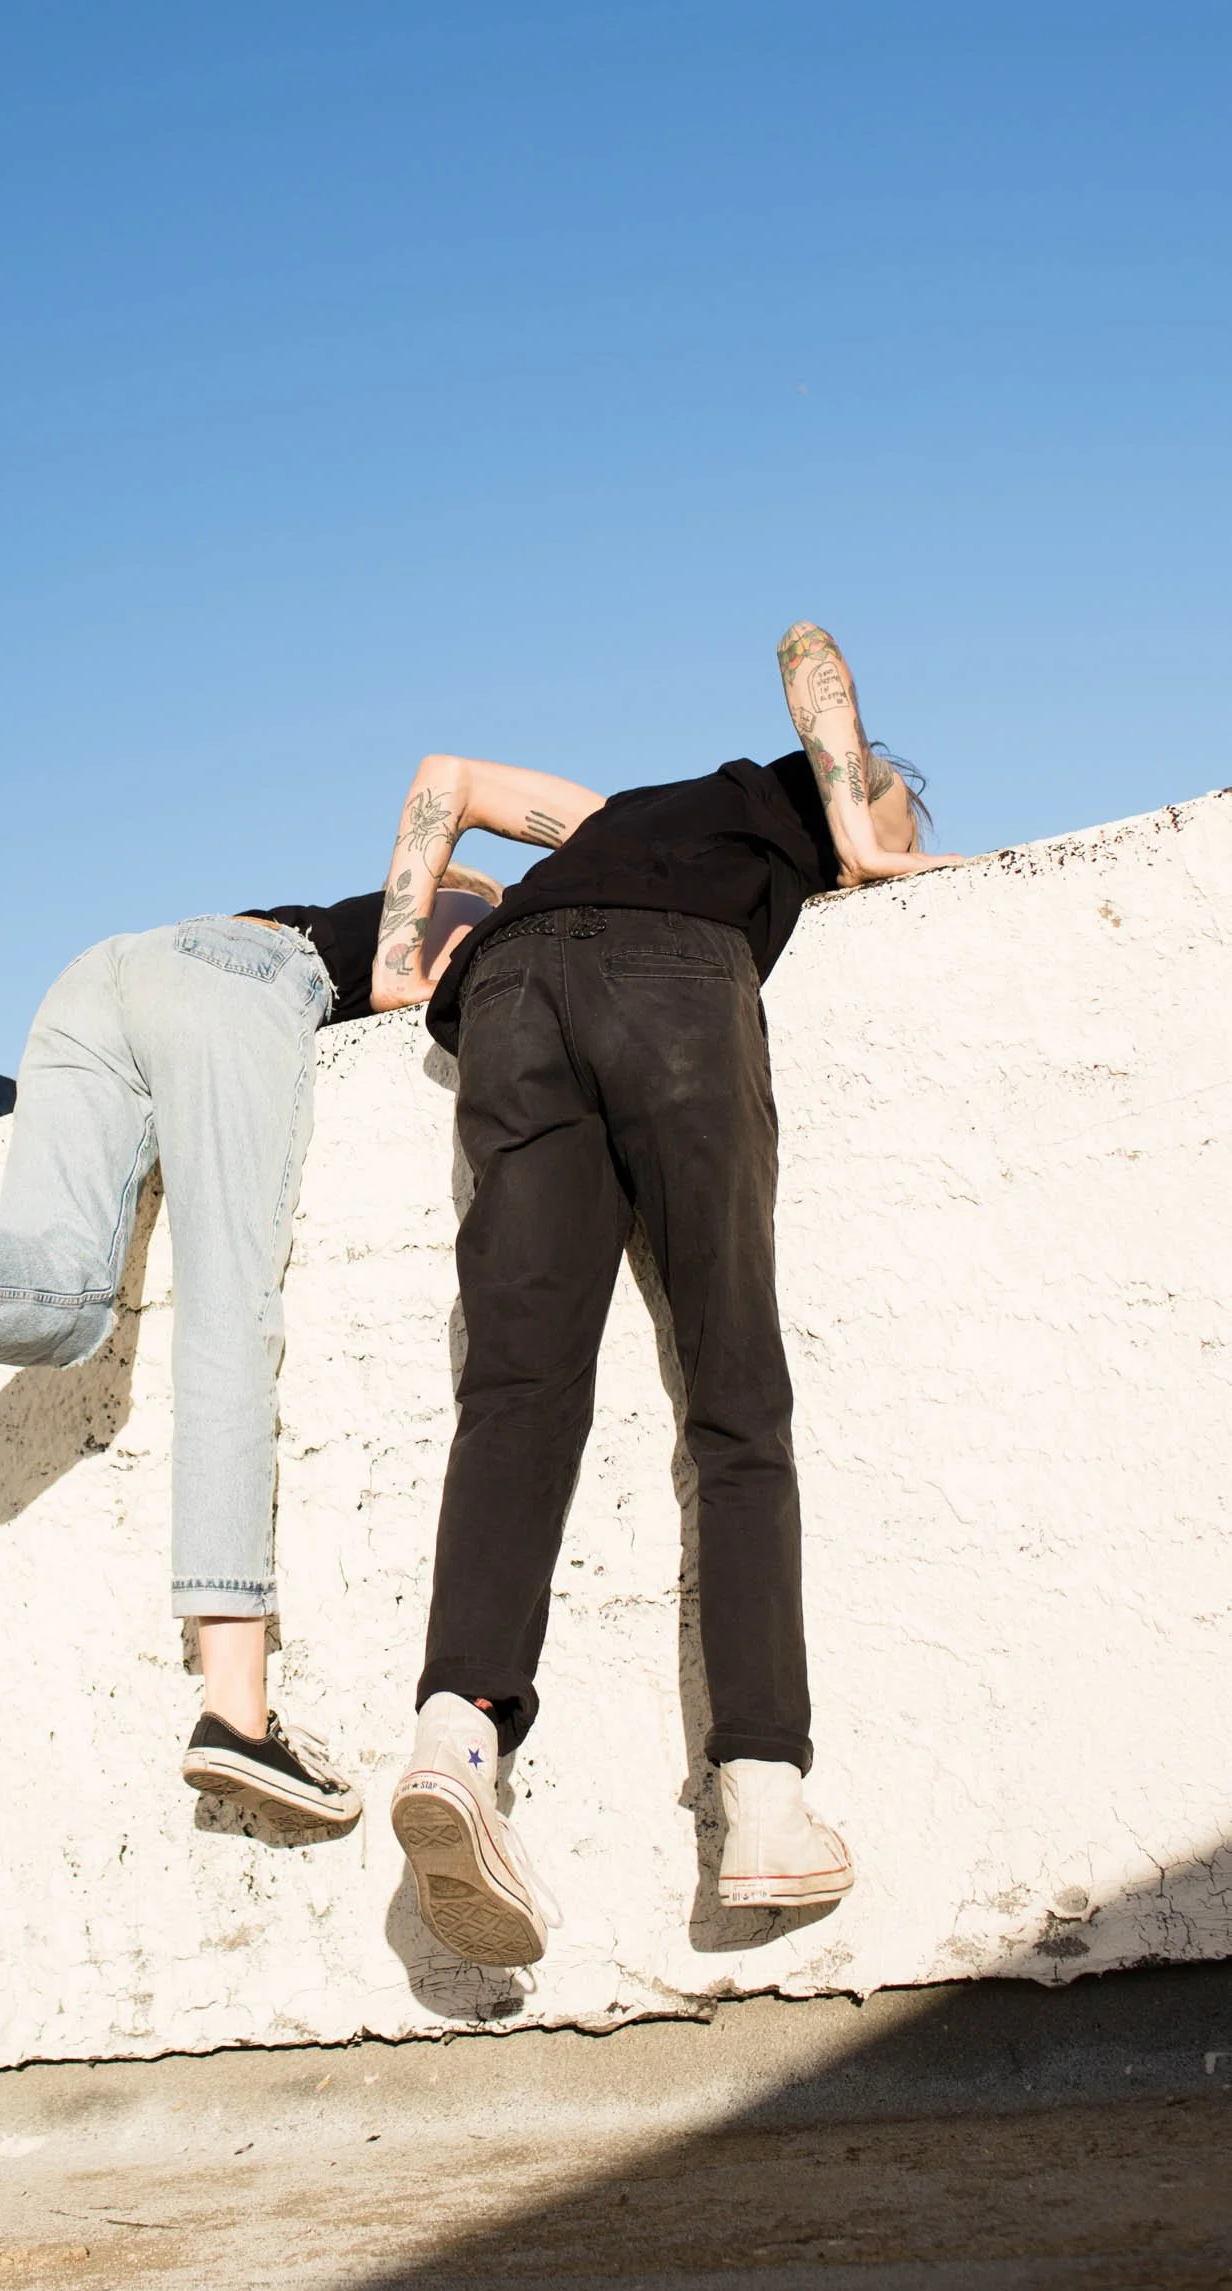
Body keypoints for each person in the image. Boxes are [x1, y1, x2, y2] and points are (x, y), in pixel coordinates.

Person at [374, 621, 961, 1965]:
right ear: (850, 788)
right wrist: (874, 841)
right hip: (672, 983)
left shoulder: (613, 819)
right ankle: (760, 1797)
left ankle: (454, 1743)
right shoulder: (814, 802)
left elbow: (442, 783)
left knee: (513, 1394)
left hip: (510, 992)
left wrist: (399, 959)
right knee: (733, 1403)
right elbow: (809, 650)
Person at [0, 876, 495, 1834]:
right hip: (242, 986)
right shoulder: (464, 903)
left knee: (70, 1295)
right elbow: (421, 975)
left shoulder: (316, 904)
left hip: (94, 983)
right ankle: (237, 1713)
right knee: (227, 1313)